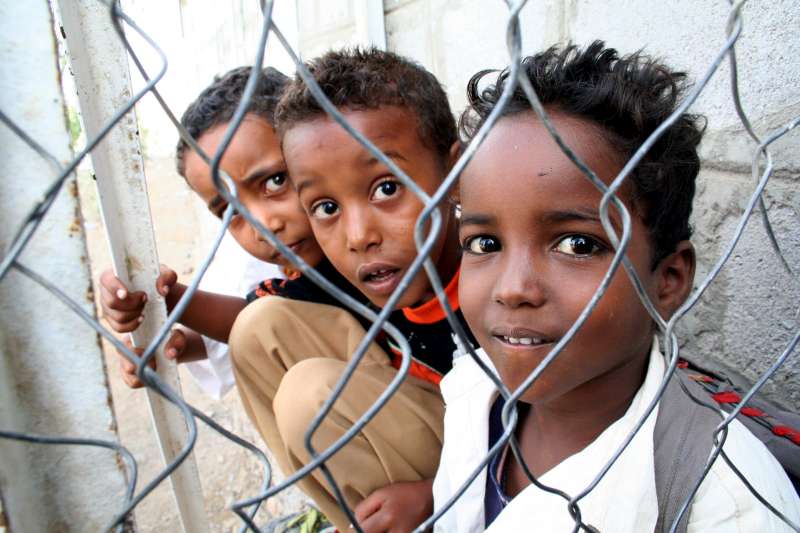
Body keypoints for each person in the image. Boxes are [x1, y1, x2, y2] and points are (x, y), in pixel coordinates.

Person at [432, 41, 800, 531]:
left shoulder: (725, 503)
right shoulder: (470, 394)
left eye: (578, 245)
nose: (512, 288)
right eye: (484, 243)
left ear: (667, 280)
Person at [229, 47, 475, 532]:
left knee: (312, 397)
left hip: (501, 460)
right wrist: (165, 308)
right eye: (325, 207)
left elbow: (558, 425)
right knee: (256, 329)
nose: (358, 235)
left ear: (453, 175)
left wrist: (437, 492)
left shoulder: (496, 274)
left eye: (386, 187)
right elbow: (258, 322)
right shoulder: (361, 271)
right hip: (425, 419)